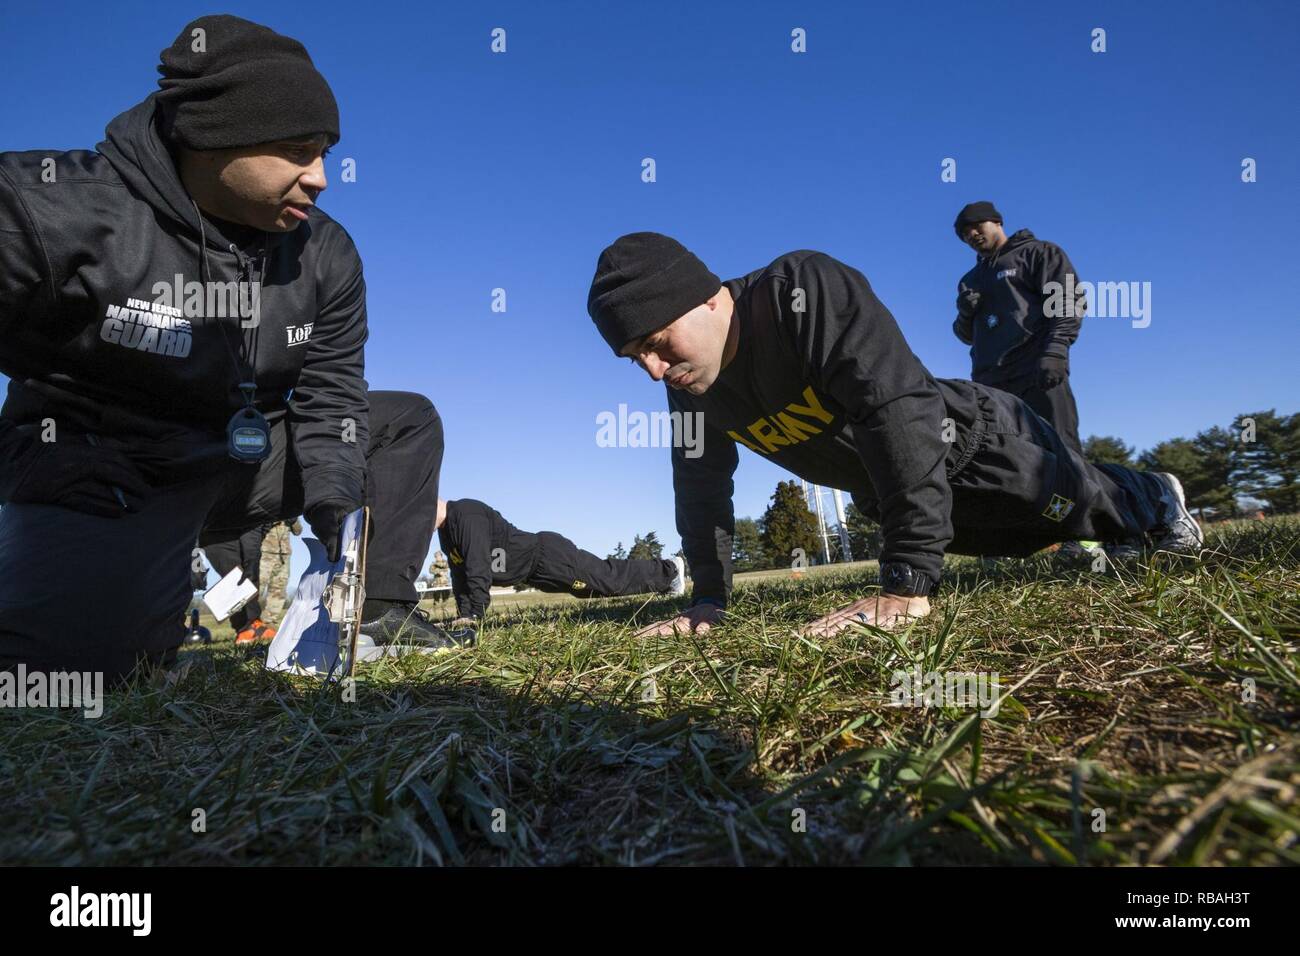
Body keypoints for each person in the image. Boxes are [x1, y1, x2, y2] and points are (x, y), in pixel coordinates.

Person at [0, 15, 461, 681]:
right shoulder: (47, 209)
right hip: (109, 475)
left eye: (326, 151)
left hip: (242, 460)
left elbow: (332, 397)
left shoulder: (325, 253)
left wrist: (337, 512)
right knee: (82, 675)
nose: (322, 178)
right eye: (297, 151)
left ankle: (378, 608)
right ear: (211, 139)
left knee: (403, 419)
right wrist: (19, 458)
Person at [585, 233, 1202, 639]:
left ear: (708, 301)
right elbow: (701, 484)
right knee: (1027, 546)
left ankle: (1155, 495)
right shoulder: (690, 383)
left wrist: (905, 583)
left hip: (975, 442)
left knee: (1091, 512)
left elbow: (894, 408)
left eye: (658, 343)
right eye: (636, 358)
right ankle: (1111, 513)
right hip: (893, 492)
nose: (655, 370)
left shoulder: (800, 291)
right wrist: (708, 602)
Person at [952, 201, 1086, 456]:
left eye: (977, 226)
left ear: (997, 222)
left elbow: (1068, 300)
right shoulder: (970, 279)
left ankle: (1078, 498)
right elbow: (965, 336)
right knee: (1010, 461)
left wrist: (1056, 349)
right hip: (991, 383)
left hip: (1036, 369)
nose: (972, 235)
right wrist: (965, 313)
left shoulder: (1038, 253)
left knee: (1062, 454)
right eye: (964, 234)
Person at [436, 498, 686, 631]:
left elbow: (477, 567)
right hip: (537, 573)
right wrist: (464, 615)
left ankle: (670, 570)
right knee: (594, 590)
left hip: (549, 557)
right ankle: (663, 580)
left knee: (609, 580)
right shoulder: (447, 531)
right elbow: (460, 573)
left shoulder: (467, 514)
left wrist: (475, 615)